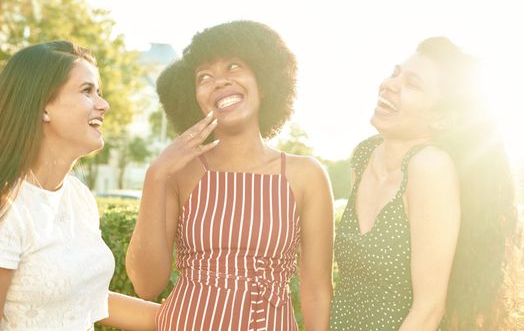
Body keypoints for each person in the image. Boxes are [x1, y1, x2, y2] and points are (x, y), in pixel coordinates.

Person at [126, 20, 334, 331]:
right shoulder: (179, 174)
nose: (219, 82)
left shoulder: (306, 175)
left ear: (263, 83)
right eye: (204, 77)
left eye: (234, 66)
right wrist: (156, 176)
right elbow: (146, 285)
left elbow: (317, 291)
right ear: (196, 98)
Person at [329, 37, 521, 330]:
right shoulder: (364, 155)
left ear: (441, 118)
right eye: (395, 73)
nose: (390, 84)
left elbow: (428, 309)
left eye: (413, 84)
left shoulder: (430, 166)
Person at [0, 41, 158, 330]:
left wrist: (198, 317)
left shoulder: (78, 197)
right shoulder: (8, 206)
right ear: (43, 107)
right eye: (87, 91)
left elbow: (87, 299)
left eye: (99, 92)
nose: (104, 104)